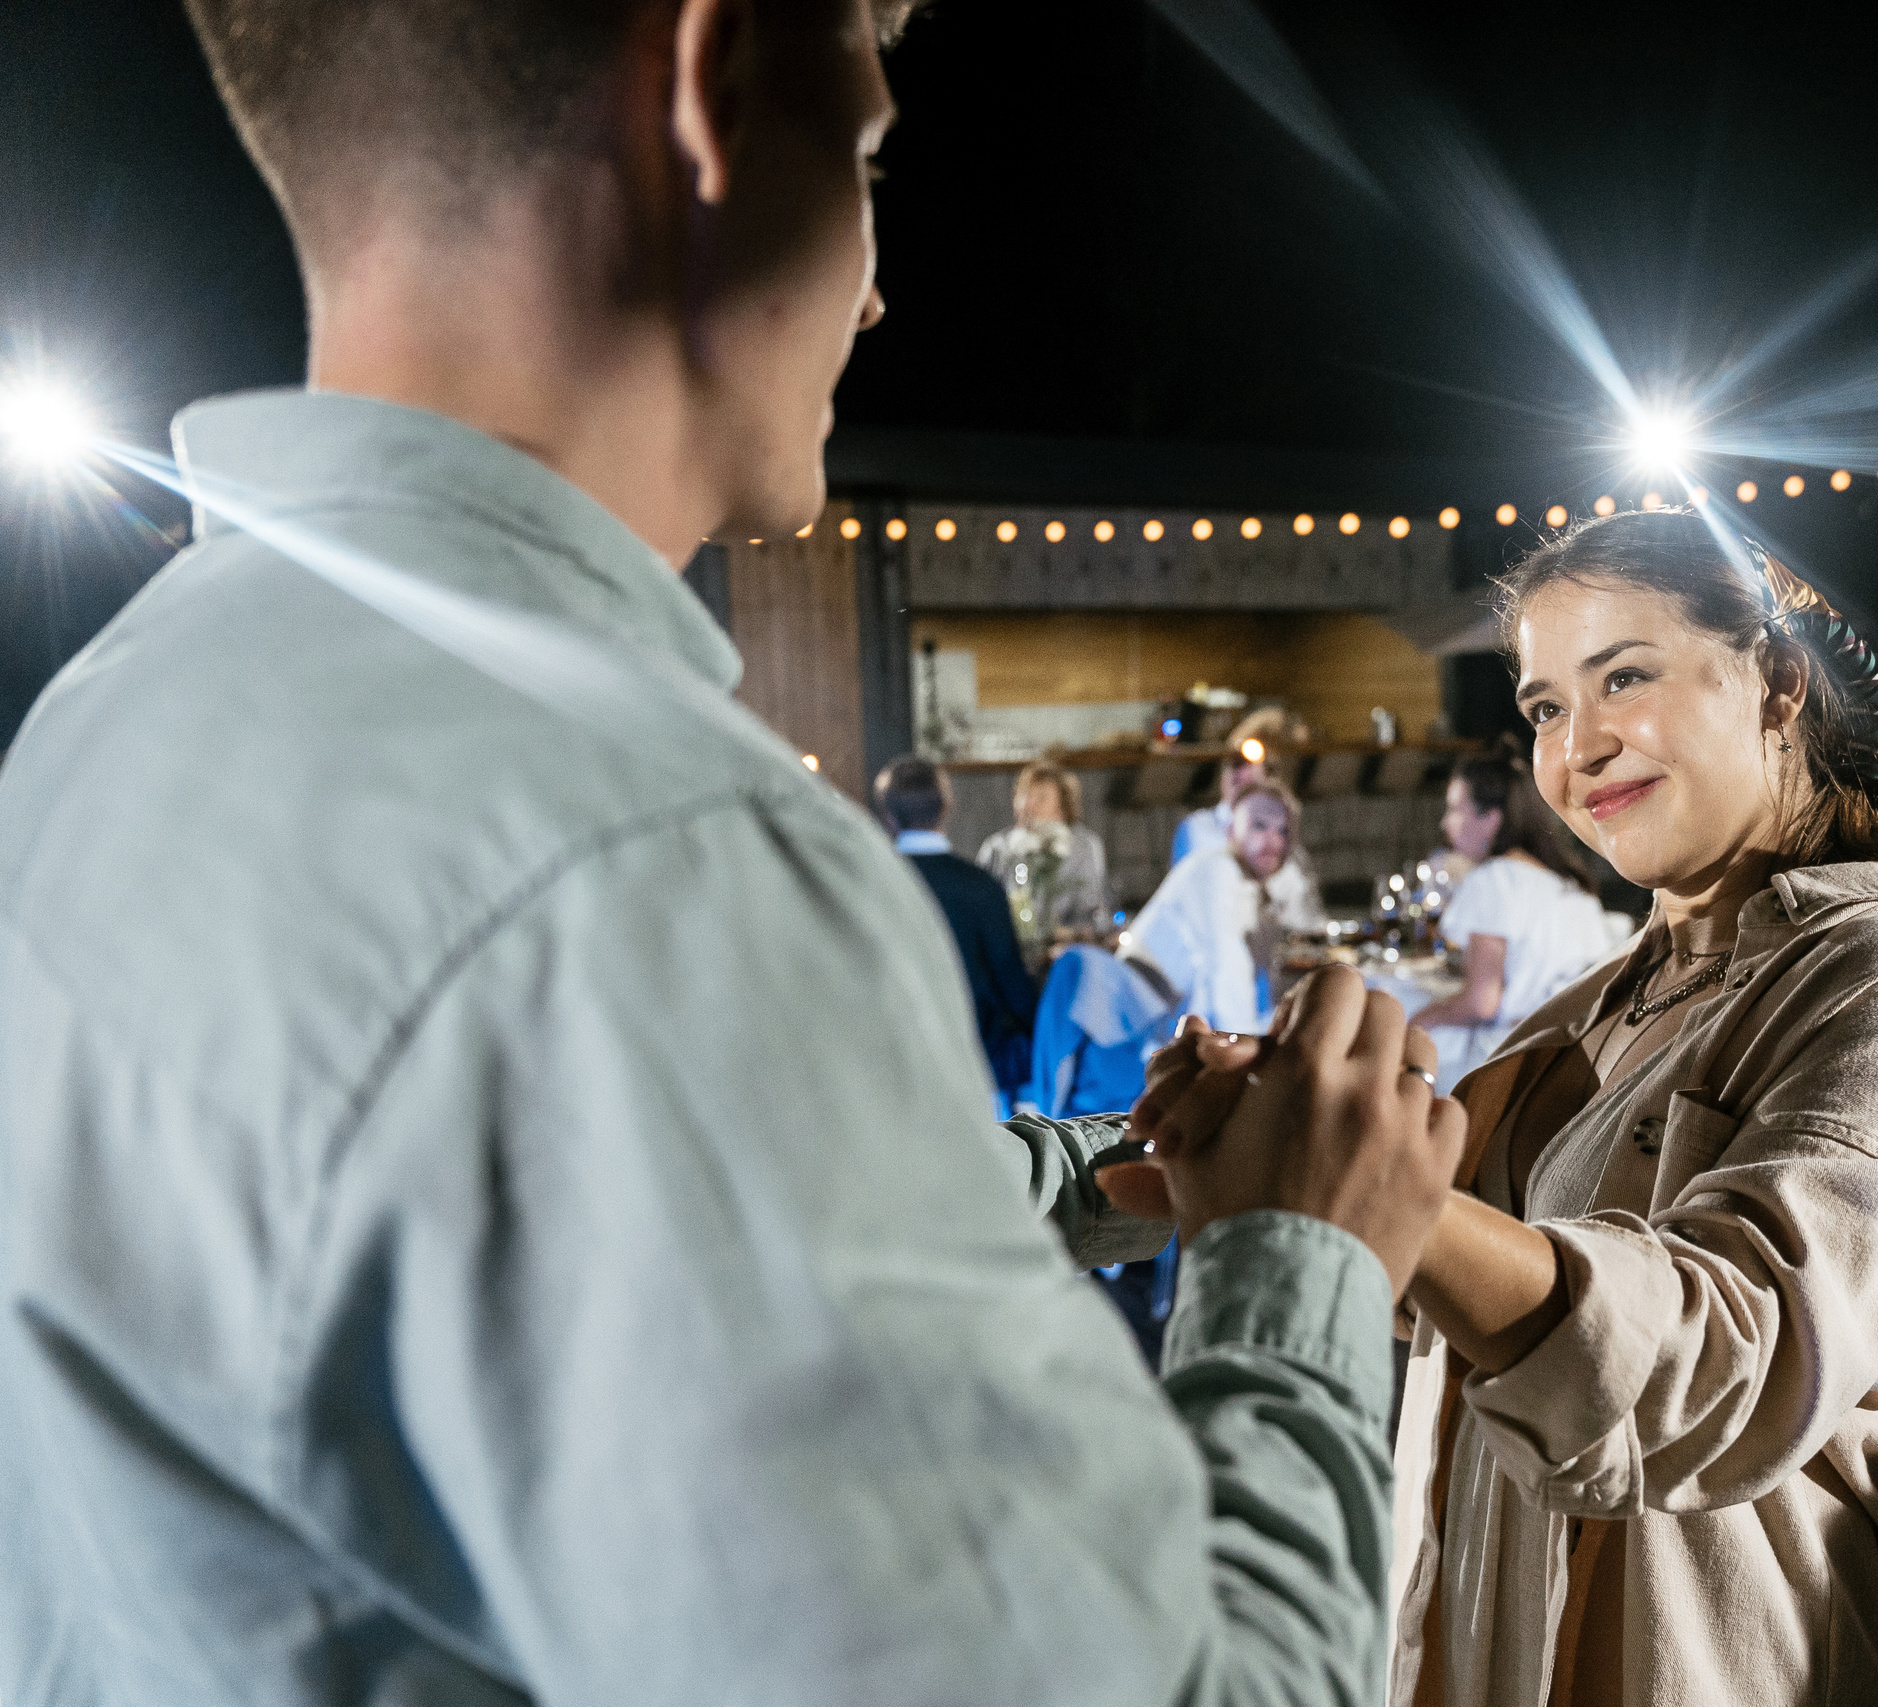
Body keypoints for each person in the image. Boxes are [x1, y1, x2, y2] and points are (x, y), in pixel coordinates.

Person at [0, 2, 1470, 1702]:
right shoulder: (655, 858)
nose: (876, 292)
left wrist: (1100, 1166)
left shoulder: (111, 720)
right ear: (713, 88)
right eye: (868, 161)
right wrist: (1304, 1257)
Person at [1128, 512, 1878, 1706]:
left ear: (1777, 683)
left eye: (1623, 678)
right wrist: (1246, 1130)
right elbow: (1424, 1282)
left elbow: (1727, 1366)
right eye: (1544, 707)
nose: (1577, 746)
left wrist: (1396, 1193)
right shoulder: (1593, 1003)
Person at [1409, 746, 1617, 1084]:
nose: (1445, 822)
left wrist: (1414, 1022)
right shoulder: (1564, 881)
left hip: (1514, 1061)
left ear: (1491, 819)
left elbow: (1481, 1003)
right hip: (1580, 1056)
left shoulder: (1493, 879)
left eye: (1455, 809)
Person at [879, 754, 1040, 1105]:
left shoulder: (870, 883)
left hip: (889, 1063)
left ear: (888, 813)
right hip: (976, 1065)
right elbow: (1011, 985)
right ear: (947, 807)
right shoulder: (980, 887)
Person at [1125, 781, 1319, 1034]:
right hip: (1135, 1023)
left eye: (1283, 831)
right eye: (1259, 826)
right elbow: (1226, 963)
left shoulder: (1256, 882)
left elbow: (1306, 928)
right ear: (1230, 830)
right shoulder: (1217, 870)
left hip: (1164, 1019)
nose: (1272, 841)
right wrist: (1244, 1041)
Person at [977, 758, 1112, 943]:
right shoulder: (996, 847)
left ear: (1062, 807)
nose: (1028, 804)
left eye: (1041, 797)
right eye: (1024, 795)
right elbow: (981, 906)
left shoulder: (1083, 846)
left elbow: (1096, 911)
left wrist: (1070, 933)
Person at [1171, 745, 1269, 866]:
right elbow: (1182, 874)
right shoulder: (1195, 827)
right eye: (1236, 766)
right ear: (1222, 777)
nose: (1243, 773)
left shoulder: (1275, 828)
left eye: (1250, 767)